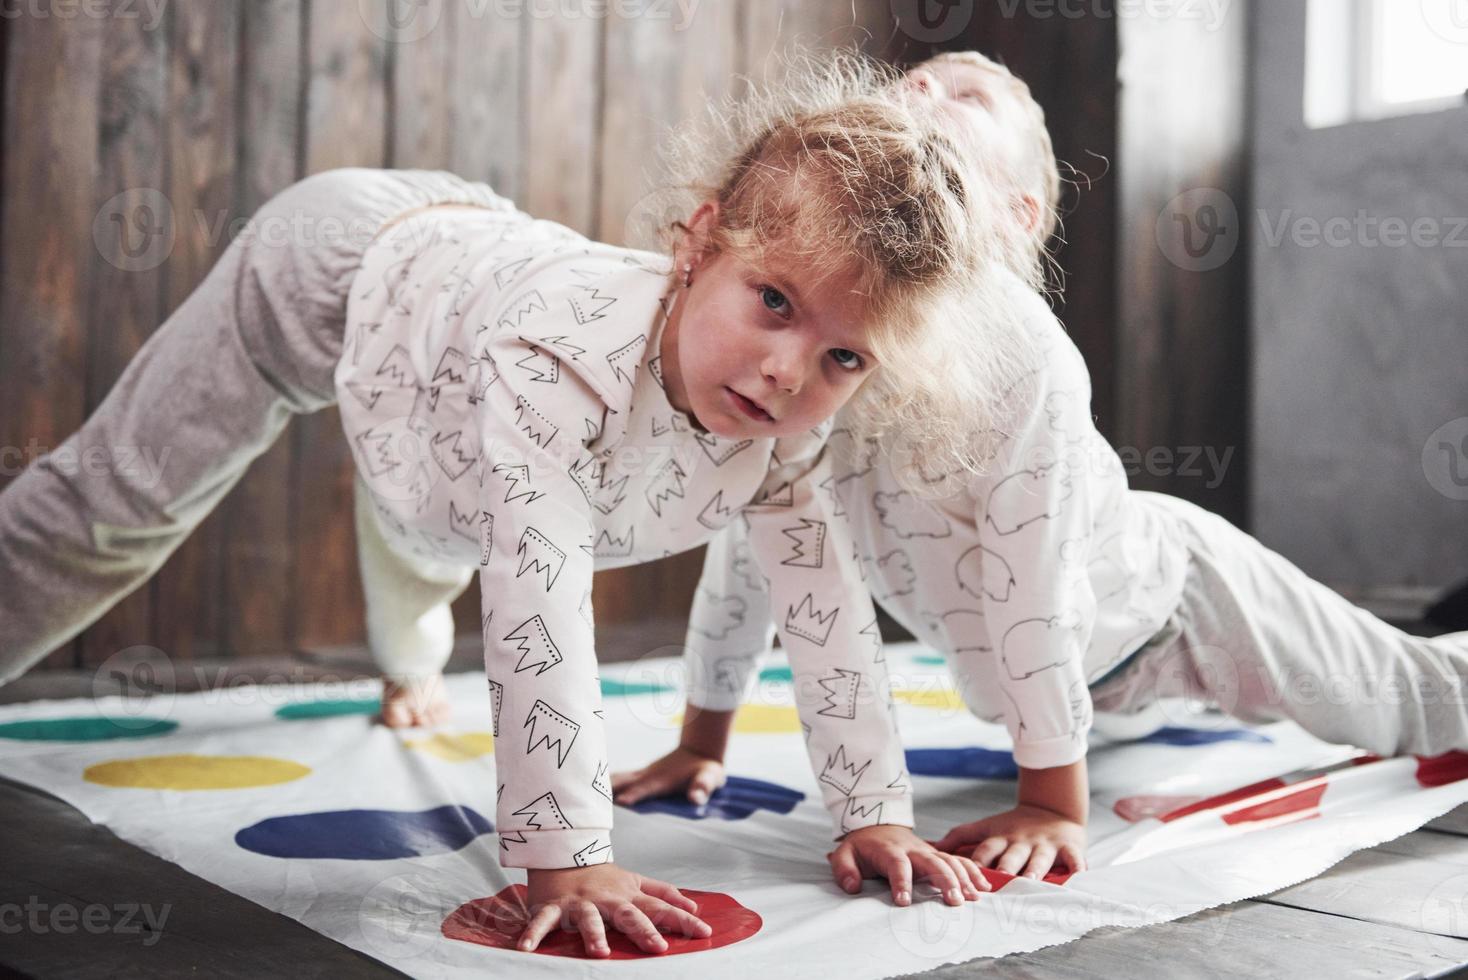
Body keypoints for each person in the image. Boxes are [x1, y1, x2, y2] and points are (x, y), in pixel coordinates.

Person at [0, 50, 1028, 955]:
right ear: (700, 240)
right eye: (772, 302)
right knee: (119, 506)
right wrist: (567, 855)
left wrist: (874, 812)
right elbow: (540, 602)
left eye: (841, 355)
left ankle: (405, 660)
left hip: (449, 359)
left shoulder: (792, 432)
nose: (783, 373)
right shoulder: (556, 362)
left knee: (436, 518)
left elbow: (827, 613)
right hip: (339, 265)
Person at [612, 50, 1468, 888]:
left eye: (968, 96)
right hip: (1073, 688)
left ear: (1014, 217)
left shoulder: (1022, 360)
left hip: (1180, 608)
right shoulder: (818, 345)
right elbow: (757, 545)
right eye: (915, 77)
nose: (921, 84)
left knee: (1421, 701)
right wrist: (703, 739)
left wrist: (1054, 802)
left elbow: (1039, 583)